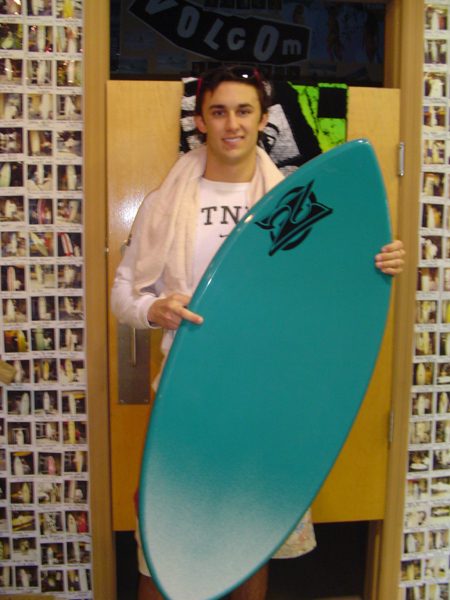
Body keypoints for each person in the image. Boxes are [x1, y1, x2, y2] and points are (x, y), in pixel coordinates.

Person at [111, 65, 405, 600]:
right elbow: (123, 294)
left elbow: (326, 287)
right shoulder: (164, 204)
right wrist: (154, 309)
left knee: (252, 539)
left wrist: (374, 263)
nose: (232, 124)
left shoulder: (300, 204)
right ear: (201, 121)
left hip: (272, 397)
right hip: (191, 396)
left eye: (244, 111)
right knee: (164, 545)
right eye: (219, 111)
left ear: (264, 119)